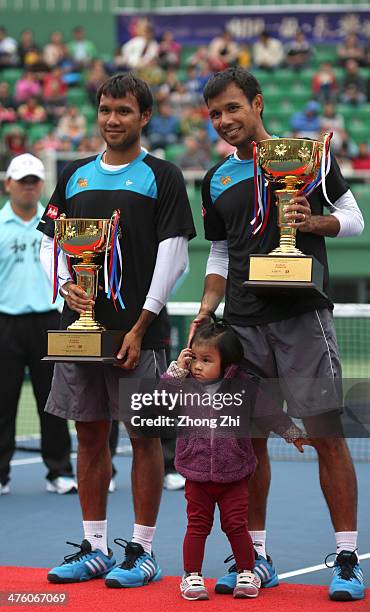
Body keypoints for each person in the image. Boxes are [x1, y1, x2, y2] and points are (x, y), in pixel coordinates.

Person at [189, 67, 365, 602]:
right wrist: (207, 306)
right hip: (243, 326)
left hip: (303, 316)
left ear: (258, 104)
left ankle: (348, 559)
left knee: (327, 437)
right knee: (252, 443)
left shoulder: (309, 157)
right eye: (215, 114)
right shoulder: (215, 178)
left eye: (233, 108)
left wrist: (313, 224)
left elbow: (355, 218)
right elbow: (221, 252)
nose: (225, 121)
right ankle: (256, 559)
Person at [38, 72, 195, 587]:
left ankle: (141, 551)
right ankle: (95, 546)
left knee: (144, 439)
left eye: (124, 111)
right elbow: (50, 240)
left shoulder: (163, 176)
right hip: (78, 332)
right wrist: (64, 286)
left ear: (144, 116)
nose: (112, 119)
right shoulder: (76, 175)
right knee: (88, 437)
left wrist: (143, 322)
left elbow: (174, 256)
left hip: (138, 335)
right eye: (106, 109)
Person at [160, 318, 309, 600]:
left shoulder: (244, 388)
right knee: (197, 526)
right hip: (196, 473)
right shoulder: (185, 386)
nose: (199, 366)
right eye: (196, 359)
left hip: (235, 475)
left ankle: (247, 572)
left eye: (207, 360)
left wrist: (292, 433)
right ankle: (191, 576)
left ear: (227, 363)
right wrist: (178, 368)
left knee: (237, 525)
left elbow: (270, 413)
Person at [0, 153, 76, 496]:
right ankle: (1, 474)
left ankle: (59, 471)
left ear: (41, 185)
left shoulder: (58, 225)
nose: (29, 187)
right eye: (22, 182)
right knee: (3, 402)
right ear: (9, 185)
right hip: (6, 322)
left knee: (53, 401)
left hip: (49, 321)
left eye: (34, 181)